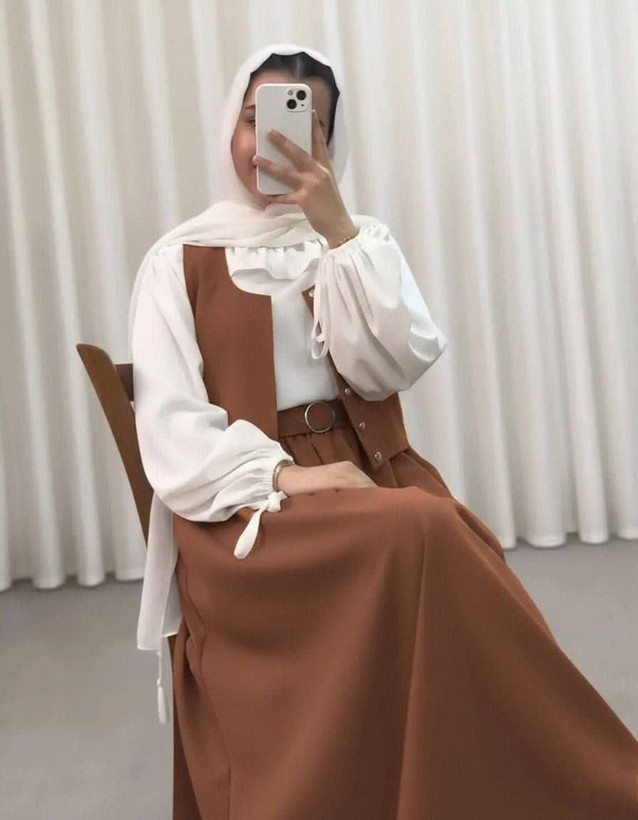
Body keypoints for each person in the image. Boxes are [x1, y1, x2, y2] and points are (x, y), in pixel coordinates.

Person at [129, 42, 638, 819]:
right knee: (424, 530)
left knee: (446, 540)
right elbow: (170, 428)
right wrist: (290, 476)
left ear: (331, 142)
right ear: (230, 125)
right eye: (256, 119)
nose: (272, 142)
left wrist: (339, 235)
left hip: (372, 471)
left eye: (307, 126)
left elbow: (391, 367)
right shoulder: (178, 260)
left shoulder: (355, 239)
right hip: (250, 509)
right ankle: (597, 783)